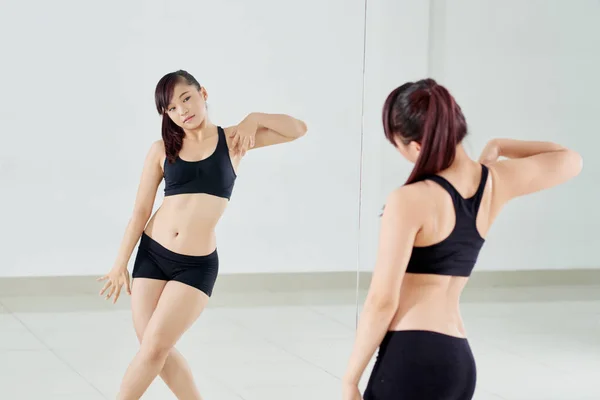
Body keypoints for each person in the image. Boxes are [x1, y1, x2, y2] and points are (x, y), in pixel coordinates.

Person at [342, 78, 582, 400]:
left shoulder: (409, 199)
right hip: (458, 361)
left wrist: (349, 380)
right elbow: (569, 159)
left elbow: (381, 302)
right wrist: (500, 145)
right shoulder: (495, 182)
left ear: (416, 146)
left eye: (396, 145)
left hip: (411, 355)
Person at [96, 69, 307, 400]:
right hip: (151, 255)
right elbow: (140, 211)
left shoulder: (234, 139)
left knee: (154, 349)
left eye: (186, 99)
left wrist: (253, 118)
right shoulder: (162, 149)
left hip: (195, 266)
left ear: (202, 93)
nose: (183, 111)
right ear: (167, 115)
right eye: (173, 109)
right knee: (154, 349)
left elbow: (298, 129)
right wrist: (119, 262)